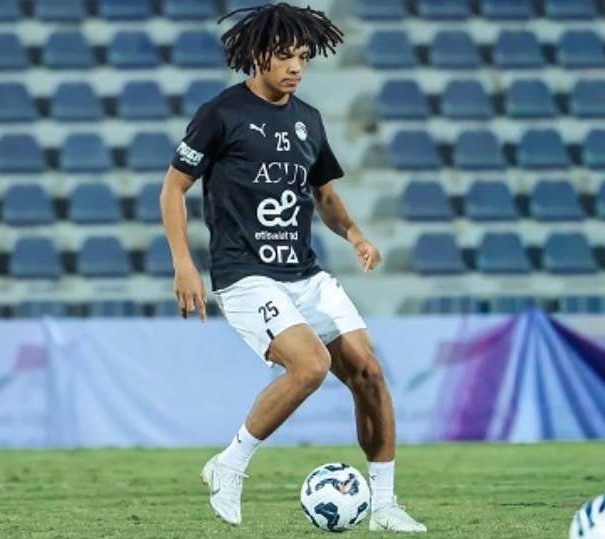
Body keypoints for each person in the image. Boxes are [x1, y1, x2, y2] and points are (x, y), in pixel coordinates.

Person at [159, 2, 426, 533]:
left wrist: (354, 234)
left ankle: (384, 506)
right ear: (259, 54)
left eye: (303, 57)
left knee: (369, 373)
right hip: (245, 274)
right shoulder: (221, 114)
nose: (296, 66)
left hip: (304, 273)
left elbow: (323, 195)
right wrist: (183, 263)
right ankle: (229, 465)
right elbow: (173, 188)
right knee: (309, 366)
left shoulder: (308, 120)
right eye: (285, 56)